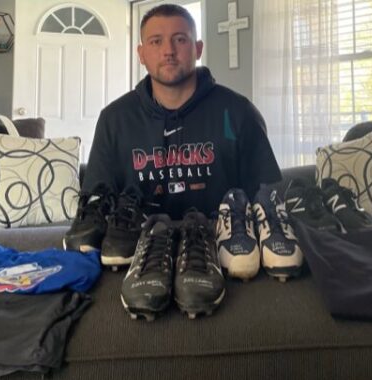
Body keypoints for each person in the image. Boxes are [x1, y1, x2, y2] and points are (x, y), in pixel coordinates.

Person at [83, 3, 281, 220]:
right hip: (137, 248)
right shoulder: (114, 119)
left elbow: (267, 199)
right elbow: (96, 206)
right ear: (141, 54)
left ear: (198, 49)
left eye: (180, 39)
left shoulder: (238, 112)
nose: (168, 51)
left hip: (226, 248)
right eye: (156, 41)